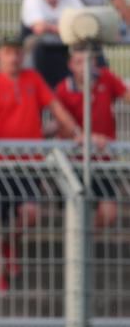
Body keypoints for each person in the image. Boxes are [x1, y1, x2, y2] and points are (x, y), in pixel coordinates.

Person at [0, 35, 80, 293]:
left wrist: (76, 131)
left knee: (30, 213)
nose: (14, 57)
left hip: (28, 161)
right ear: (0, 54)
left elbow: (55, 107)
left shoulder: (33, 79)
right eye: (9, 52)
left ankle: (10, 243)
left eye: (18, 52)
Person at [55, 48, 130, 229]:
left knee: (109, 213)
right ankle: (79, 248)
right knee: (76, 212)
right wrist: (84, 137)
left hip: (103, 160)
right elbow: (62, 126)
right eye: (79, 62)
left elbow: (127, 96)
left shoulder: (106, 78)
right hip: (74, 162)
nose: (85, 67)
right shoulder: (63, 89)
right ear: (71, 65)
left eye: (89, 61)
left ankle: (84, 245)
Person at [20, 0, 84, 87]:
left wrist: (50, 27)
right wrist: (66, 28)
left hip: (65, 48)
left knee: (85, 49)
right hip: (39, 49)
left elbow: (81, 26)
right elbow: (39, 28)